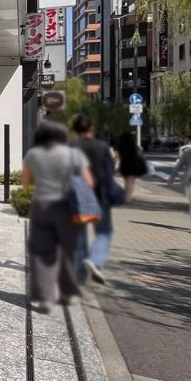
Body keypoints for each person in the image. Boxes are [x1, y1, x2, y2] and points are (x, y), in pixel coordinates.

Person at [22, 120, 94, 313]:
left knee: (41, 252)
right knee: (69, 251)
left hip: (41, 205)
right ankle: (70, 294)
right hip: (67, 207)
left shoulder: (33, 154)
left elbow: (26, 183)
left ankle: (44, 298)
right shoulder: (74, 154)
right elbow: (88, 182)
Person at [71, 114, 116, 285]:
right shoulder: (102, 146)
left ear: (75, 130)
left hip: (78, 195)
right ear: (91, 128)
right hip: (100, 195)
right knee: (104, 231)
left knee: (80, 234)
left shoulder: (71, 147)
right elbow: (111, 169)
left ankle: (80, 274)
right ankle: (95, 260)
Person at [116, 131, 148, 199]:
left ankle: (126, 195)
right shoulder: (134, 146)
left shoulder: (120, 146)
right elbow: (141, 155)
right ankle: (128, 196)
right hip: (133, 166)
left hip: (124, 166)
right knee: (131, 182)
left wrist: (112, 164)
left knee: (127, 181)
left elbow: (116, 157)